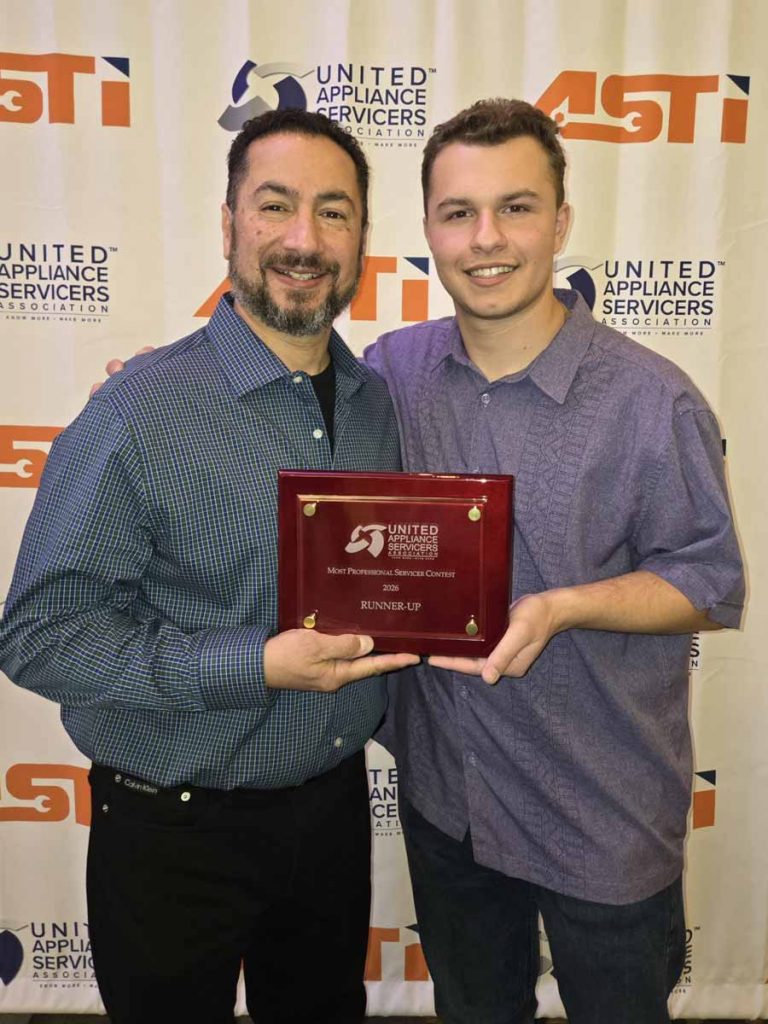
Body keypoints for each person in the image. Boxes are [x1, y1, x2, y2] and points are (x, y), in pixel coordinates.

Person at [0, 108, 418, 1024]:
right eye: (275, 207)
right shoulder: (138, 412)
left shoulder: (378, 407)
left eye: (334, 212)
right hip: (172, 834)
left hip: (332, 815)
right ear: (228, 224)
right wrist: (253, 664)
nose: (304, 240)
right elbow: (37, 638)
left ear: (363, 241)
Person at [364, 99, 744, 1024]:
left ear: (562, 223)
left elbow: (707, 583)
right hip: (450, 802)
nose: (487, 239)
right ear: (427, 230)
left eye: (518, 208)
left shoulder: (656, 402)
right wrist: (161, 384)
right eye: (459, 213)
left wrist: (562, 607)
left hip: (601, 811)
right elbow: (290, 439)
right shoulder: (391, 369)